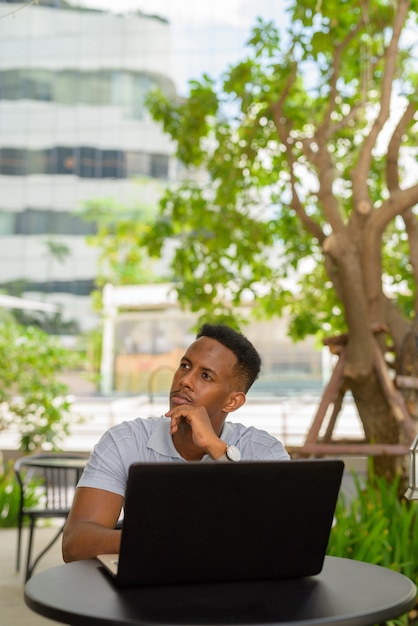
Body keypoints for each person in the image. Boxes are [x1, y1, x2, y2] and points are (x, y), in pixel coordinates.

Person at [62, 323, 290, 562]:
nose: (185, 380)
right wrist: (170, 539)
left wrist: (215, 447)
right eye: (185, 366)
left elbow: (283, 537)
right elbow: (75, 545)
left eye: (205, 376)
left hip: (237, 592)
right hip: (146, 591)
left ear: (232, 402)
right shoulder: (124, 441)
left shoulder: (264, 450)